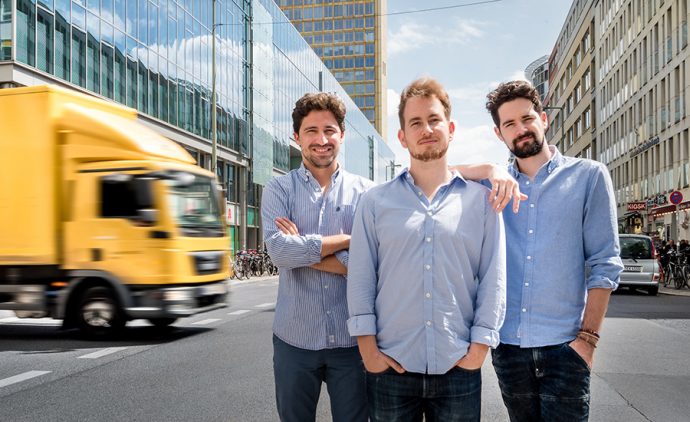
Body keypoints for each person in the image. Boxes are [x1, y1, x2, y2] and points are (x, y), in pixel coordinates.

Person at [346, 78, 507, 422]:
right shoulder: (374, 202)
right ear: (402, 137)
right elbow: (361, 277)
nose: (426, 129)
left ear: (450, 128)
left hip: (458, 366)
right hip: (390, 368)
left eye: (434, 120)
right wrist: (369, 353)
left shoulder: (481, 202)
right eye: (415, 122)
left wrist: (479, 349)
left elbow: (494, 277)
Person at [469, 80, 623, 421]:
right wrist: (490, 169)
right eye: (509, 124)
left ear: (543, 119)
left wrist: (587, 341)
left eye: (526, 119)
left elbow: (605, 264)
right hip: (509, 347)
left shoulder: (588, 176)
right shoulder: (491, 186)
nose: (520, 130)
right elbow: (440, 174)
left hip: (566, 347)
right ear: (499, 134)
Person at [260, 92, 373, 422]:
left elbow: (370, 263)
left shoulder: (367, 193)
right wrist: (350, 240)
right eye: (311, 131)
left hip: (353, 343)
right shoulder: (279, 190)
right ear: (296, 137)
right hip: (294, 340)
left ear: (342, 135)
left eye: (329, 130)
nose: (321, 140)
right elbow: (279, 251)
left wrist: (301, 251)